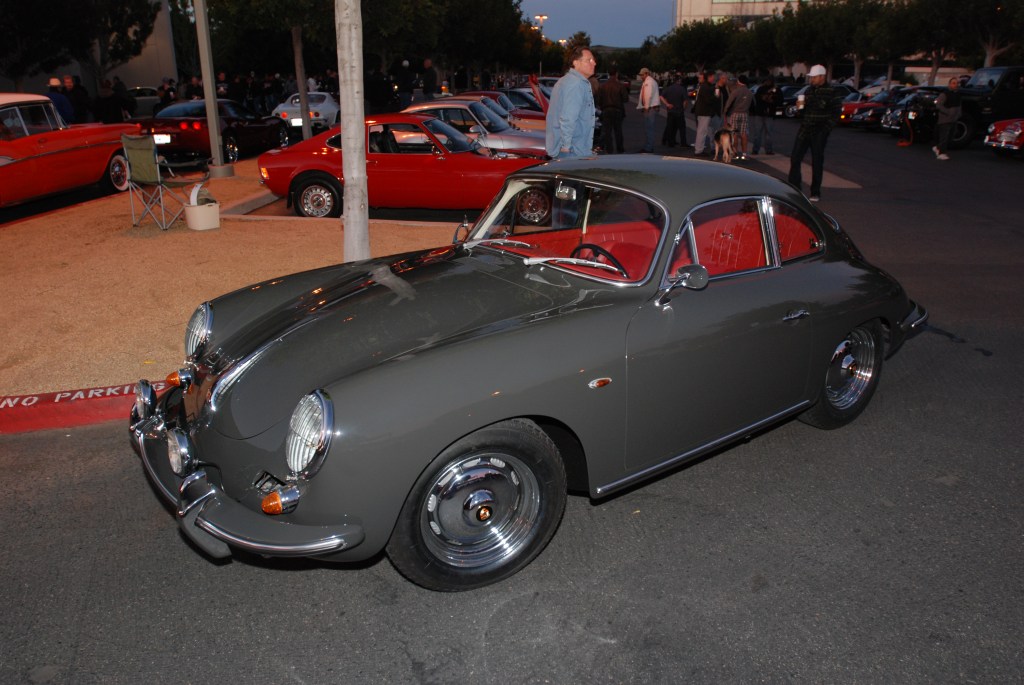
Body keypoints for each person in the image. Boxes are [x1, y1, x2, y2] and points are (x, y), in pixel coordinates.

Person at [788, 64, 843, 202]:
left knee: (817, 161)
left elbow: (836, 113)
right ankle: (795, 188)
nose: (811, 79)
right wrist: (799, 108)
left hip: (820, 130)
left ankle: (815, 192)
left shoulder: (831, 92)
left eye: (814, 77)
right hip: (805, 128)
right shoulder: (809, 91)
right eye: (811, 77)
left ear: (821, 77)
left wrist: (826, 129)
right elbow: (803, 111)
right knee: (795, 158)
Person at [545, 46, 597, 159]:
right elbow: (568, 118)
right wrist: (566, 147)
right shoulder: (576, 84)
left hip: (570, 150)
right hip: (572, 151)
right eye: (589, 60)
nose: (594, 63)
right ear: (576, 62)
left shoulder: (567, 81)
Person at [597, 67, 629, 153]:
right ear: (616, 74)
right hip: (617, 110)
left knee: (608, 131)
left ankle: (609, 149)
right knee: (618, 131)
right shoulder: (620, 86)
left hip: (606, 110)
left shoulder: (603, 86)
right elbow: (626, 99)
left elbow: (599, 100)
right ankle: (620, 148)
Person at [723, 74, 752, 159]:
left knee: (734, 134)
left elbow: (729, 103)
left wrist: (725, 112)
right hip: (745, 114)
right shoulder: (749, 92)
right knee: (744, 133)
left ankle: (734, 153)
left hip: (735, 113)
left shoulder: (735, 91)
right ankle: (744, 154)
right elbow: (753, 104)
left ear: (739, 82)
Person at [932, 77, 962, 161]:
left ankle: (938, 148)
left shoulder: (958, 95)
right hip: (945, 120)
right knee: (944, 137)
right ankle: (941, 153)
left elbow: (959, 106)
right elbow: (938, 105)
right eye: (953, 83)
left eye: (957, 83)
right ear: (949, 84)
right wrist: (947, 112)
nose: (956, 85)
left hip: (954, 119)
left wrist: (959, 114)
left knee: (951, 136)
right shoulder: (944, 94)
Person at [660, 74, 689, 147]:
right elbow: (685, 101)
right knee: (682, 128)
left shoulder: (669, 88)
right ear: (679, 81)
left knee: (670, 127)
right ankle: (683, 143)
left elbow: (661, 96)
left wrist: (667, 104)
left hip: (670, 111)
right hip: (679, 111)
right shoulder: (682, 89)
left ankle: (670, 142)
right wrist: (684, 108)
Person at [750, 76, 778, 155]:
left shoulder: (776, 90)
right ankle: (756, 149)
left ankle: (768, 150)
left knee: (768, 133)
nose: (768, 82)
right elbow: (757, 99)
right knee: (758, 133)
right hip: (760, 113)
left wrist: (772, 101)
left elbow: (779, 100)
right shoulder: (761, 89)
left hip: (769, 114)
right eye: (766, 80)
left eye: (769, 81)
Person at [692, 71, 717, 156]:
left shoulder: (704, 86)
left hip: (702, 112)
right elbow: (709, 100)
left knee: (701, 131)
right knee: (702, 131)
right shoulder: (706, 87)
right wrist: (715, 96)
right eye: (713, 76)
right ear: (709, 77)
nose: (714, 78)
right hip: (704, 112)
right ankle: (699, 150)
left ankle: (699, 149)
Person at [636, 67, 660, 153]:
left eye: (642, 75)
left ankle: (649, 147)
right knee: (649, 128)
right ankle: (649, 146)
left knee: (649, 128)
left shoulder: (648, 82)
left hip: (650, 108)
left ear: (646, 74)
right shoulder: (649, 81)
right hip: (651, 108)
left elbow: (647, 95)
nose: (641, 76)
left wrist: (646, 107)